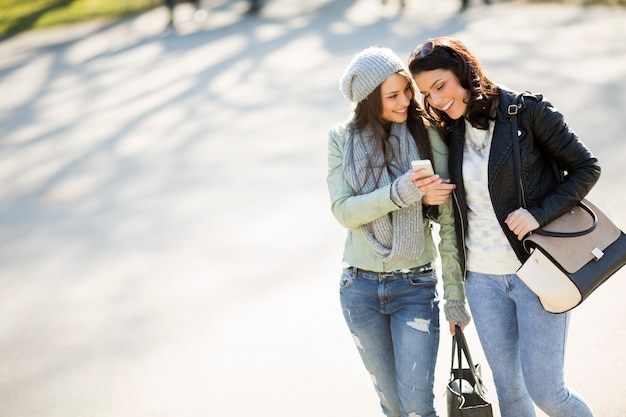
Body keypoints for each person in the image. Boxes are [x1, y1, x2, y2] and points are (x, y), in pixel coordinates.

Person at [407, 37, 600, 417]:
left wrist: (538, 214)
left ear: (464, 72)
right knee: (510, 393)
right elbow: (456, 211)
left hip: (536, 272)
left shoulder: (526, 113)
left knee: (547, 393)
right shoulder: (450, 133)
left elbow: (586, 168)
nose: (437, 100)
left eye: (441, 86)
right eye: (428, 94)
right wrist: (430, 202)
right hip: (482, 280)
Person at [327, 46, 471, 417]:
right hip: (359, 289)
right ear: (369, 100)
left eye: (406, 90)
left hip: (415, 289)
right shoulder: (341, 140)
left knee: (418, 409)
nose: (406, 100)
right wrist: (403, 192)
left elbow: (450, 223)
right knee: (392, 407)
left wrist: (454, 295)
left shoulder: (426, 135)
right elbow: (344, 211)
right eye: (393, 96)